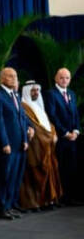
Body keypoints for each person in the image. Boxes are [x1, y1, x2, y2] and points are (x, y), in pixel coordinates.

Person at [0, 68, 29, 220]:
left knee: (14, 177)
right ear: (2, 78)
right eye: (10, 76)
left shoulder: (16, 95)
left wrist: (25, 139)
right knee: (4, 177)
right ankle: (0, 208)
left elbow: (22, 118)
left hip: (19, 144)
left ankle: (9, 205)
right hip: (7, 146)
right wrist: (4, 143)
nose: (14, 78)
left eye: (15, 76)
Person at [19, 81, 62, 210]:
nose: (36, 93)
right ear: (27, 91)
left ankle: (47, 201)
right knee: (35, 174)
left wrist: (53, 133)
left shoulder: (38, 106)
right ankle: (35, 203)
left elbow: (48, 124)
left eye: (37, 90)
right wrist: (49, 136)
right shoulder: (24, 106)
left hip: (46, 145)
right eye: (33, 90)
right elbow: (36, 128)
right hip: (35, 147)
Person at [44, 68, 81, 205]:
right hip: (60, 138)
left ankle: (70, 197)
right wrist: (65, 133)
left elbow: (76, 114)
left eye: (67, 78)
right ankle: (60, 197)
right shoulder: (51, 94)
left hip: (73, 138)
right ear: (56, 78)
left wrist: (76, 131)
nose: (64, 80)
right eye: (61, 77)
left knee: (71, 168)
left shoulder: (71, 94)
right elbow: (52, 116)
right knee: (60, 168)